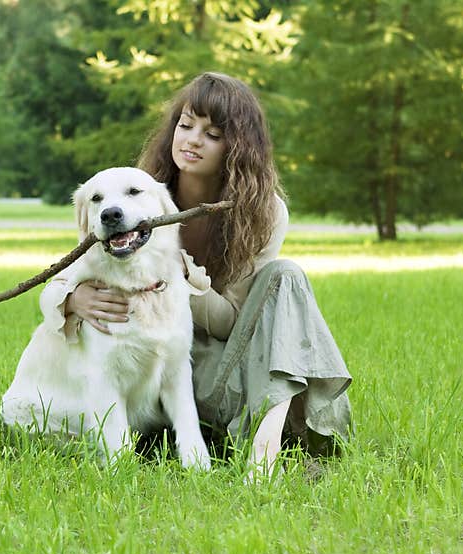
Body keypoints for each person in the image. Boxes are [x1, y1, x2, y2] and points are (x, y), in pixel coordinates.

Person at [41, 71, 353, 479]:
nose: (191, 140)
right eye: (185, 126)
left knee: (285, 276)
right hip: (160, 375)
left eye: (212, 133)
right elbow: (66, 276)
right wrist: (73, 299)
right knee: (285, 279)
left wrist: (186, 283)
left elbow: (235, 326)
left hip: (225, 368)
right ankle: (255, 444)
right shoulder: (141, 194)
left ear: (238, 145)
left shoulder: (265, 213)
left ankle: (265, 448)